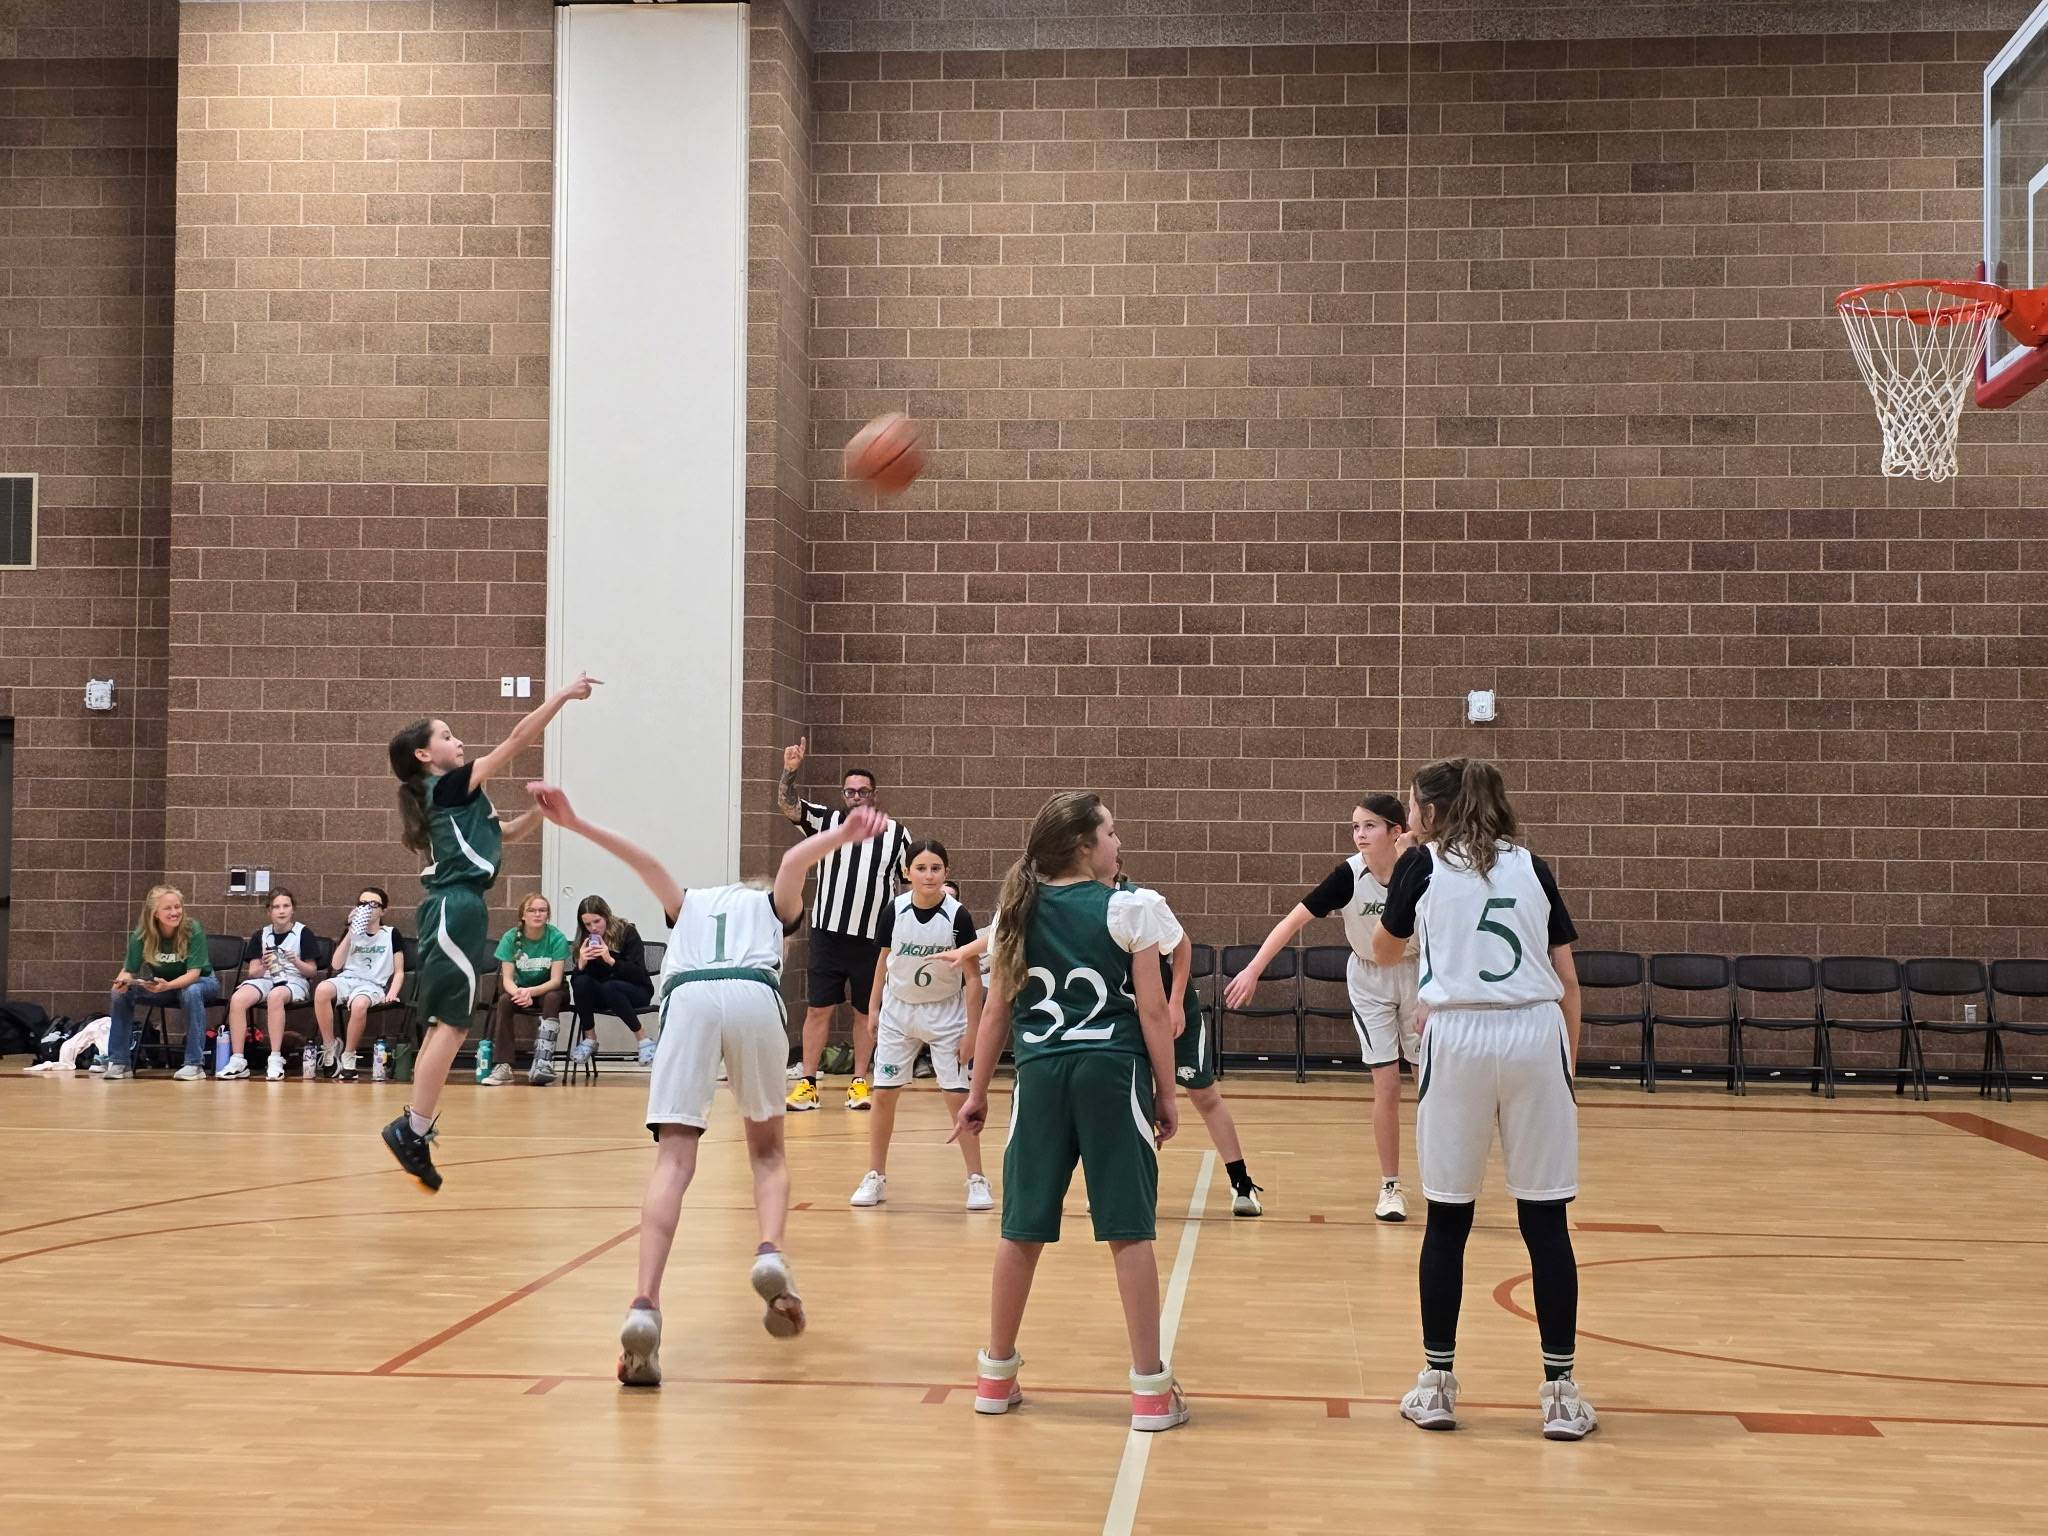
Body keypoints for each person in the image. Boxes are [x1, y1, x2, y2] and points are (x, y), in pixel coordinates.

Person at [522, 779, 887, 1388]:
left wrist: (576, 823)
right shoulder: (772, 907)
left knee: (673, 1160)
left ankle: (644, 1304)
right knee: (767, 1152)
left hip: (688, 996)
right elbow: (795, 861)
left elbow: (644, 861)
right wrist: (843, 836)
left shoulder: (687, 903)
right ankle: (769, 1250)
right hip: (753, 992)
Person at [1372, 758, 1594, 1441]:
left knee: (1448, 1218)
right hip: (1535, 1030)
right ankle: (1560, 1392)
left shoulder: (1422, 864)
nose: (1407, 821)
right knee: (1545, 1220)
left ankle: (1437, 1384)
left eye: (1411, 810)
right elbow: (1568, 979)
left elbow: (1384, 951)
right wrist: (1567, 1068)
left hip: (1460, 1034)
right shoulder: (1533, 866)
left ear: (1432, 814)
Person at [952, 791, 1188, 1433]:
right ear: (1085, 845)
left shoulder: (1014, 912)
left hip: (1040, 1075)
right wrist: (1166, 1093)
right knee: (1128, 1230)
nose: (1118, 843)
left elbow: (997, 1011)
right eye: (1111, 832)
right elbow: (1151, 1012)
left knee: (1020, 1228)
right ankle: (1149, 1392)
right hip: (1113, 1072)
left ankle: (995, 1379)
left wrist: (976, 1095)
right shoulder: (1128, 907)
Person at [380, 673, 596, 1191]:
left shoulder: (456, 800)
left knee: (445, 1025)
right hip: (455, 907)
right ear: (425, 756)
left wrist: (541, 817)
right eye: (447, 736)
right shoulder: (448, 786)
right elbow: (518, 737)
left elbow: (504, 834)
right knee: (453, 1026)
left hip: (460, 908)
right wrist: (562, 696)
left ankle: (414, 1126)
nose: (458, 741)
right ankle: (411, 1128)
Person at [1226, 793, 1420, 1221]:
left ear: (1394, 830)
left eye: (1369, 826)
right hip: (1370, 978)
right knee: (1386, 1083)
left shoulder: (1420, 867)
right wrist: (1254, 969)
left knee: (1429, 1084)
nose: (1359, 835)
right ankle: (1391, 1186)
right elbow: (1293, 921)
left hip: (1418, 974)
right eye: (1355, 827)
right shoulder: (1349, 875)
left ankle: (1444, 1181)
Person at [1115, 856, 1264, 1216]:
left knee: (1203, 1095)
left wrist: (1176, 1003)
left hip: (1170, 1007)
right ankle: (1122, 1184)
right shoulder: (1084, 907)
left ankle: (1241, 1181)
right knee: (1126, 1097)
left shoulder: (1145, 902)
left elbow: (1182, 947)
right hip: (1128, 1014)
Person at [847, 839, 990, 1212]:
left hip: (945, 1014)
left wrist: (973, 1032)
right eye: (921, 868)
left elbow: (974, 979)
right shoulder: (894, 909)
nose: (928, 875)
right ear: (907, 873)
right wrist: (874, 1007)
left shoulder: (957, 915)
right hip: (899, 1011)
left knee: (958, 1097)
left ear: (946, 873)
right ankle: (875, 1175)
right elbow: (882, 962)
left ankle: (976, 1178)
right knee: (883, 1094)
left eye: (936, 868)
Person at [777, 736, 912, 1112]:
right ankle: (807, 1082)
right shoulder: (825, 821)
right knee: (819, 1008)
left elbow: (910, 880)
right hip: (827, 934)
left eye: (862, 791)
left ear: (874, 794)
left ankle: (859, 1081)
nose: (855, 796)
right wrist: (789, 771)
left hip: (872, 940)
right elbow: (788, 807)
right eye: (850, 791)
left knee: (865, 1012)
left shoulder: (898, 833)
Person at [105, 884, 219, 1081]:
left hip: (201, 982)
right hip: (162, 984)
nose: (175, 912)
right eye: (168, 908)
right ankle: (119, 1061)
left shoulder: (193, 929)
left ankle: (194, 1064)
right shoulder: (142, 934)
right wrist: (122, 981)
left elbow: (193, 974)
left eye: (178, 907)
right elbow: (129, 970)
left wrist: (167, 986)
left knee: (190, 992)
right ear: (155, 913)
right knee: (119, 994)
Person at [221, 890, 322, 1081]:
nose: (281, 911)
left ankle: (275, 1058)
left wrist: (296, 961)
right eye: (276, 907)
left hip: (294, 980)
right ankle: (238, 1059)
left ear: (293, 909)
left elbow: (312, 971)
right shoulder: (261, 934)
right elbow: (253, 972)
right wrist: (264, 965)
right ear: (269, 911)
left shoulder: (303, 932)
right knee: (238, 998)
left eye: (286, 906)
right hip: (266, 978)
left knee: (276, 996)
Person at [314, 887, 405, 1082]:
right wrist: (351, 931)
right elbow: (336, 964)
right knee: (322, 990)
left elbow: (399, 971)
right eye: (362, 904)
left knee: (359, 1004)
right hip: (349, 979)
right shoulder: (352, 932)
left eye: (373, 904)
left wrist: (393, 992)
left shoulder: (390, 934)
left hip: (373, 984)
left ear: (383, 911)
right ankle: (330, 1046)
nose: (367, 908)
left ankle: (349, 1055)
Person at [486, 893, 570, 1086]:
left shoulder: (556, 937)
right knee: (505, 1001)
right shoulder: (510, 938)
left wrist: (530, 992)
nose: (537, 914)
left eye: (542, 910)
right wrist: (519, 993)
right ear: (522, 915)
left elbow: (556, 980)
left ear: (547, 915)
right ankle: (503, 1066)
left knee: (551, 998)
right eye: (531, 910)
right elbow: (507, 979)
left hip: (551, 990)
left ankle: (543, 1061)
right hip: (521, 990)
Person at [567, 895, 654, 1068]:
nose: (593, 928)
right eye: (587, 924)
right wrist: (581, 965)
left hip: (636, 991)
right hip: (605, 993)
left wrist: (611, 960)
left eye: (597, 921)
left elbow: (638, 974)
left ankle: (644, 1039)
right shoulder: (585, 940)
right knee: (581, 982)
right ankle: (590, 1038)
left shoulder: (627, 932)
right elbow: (578, 985)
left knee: (610, 986)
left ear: (606, 916)